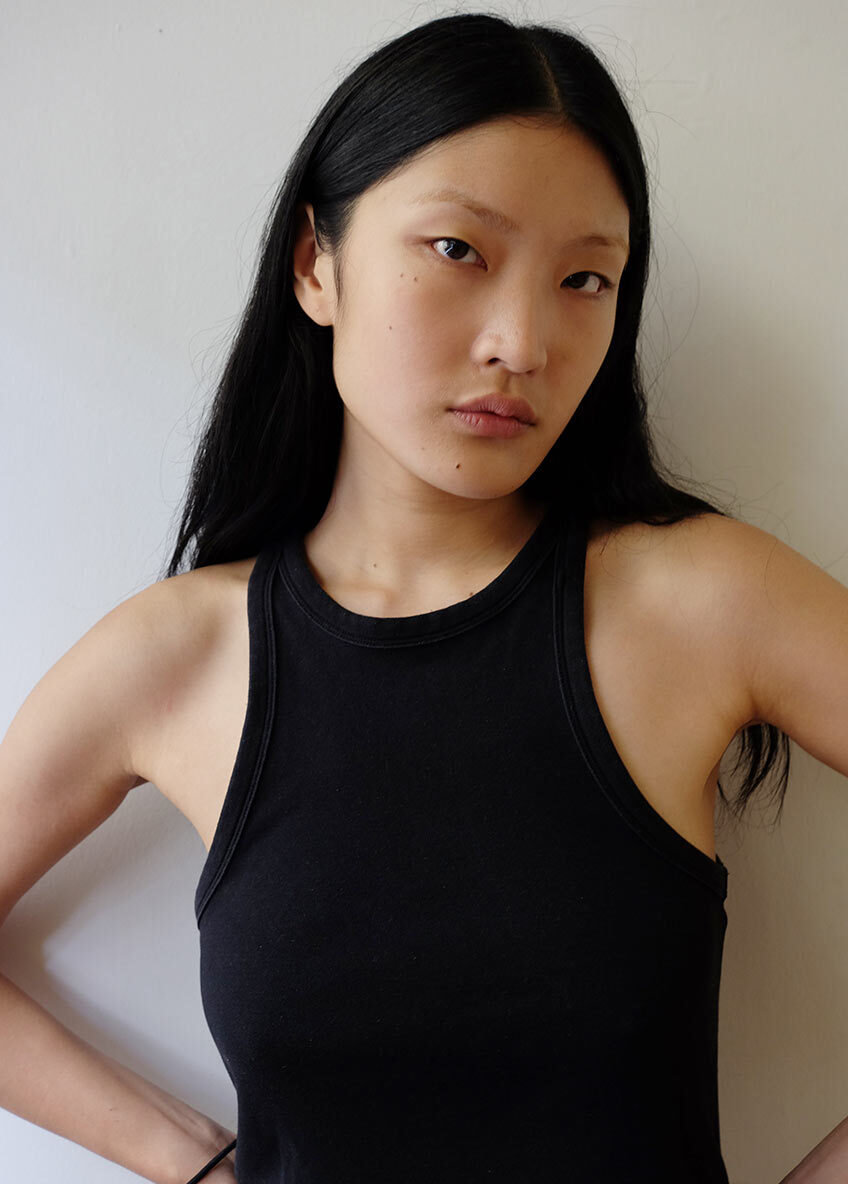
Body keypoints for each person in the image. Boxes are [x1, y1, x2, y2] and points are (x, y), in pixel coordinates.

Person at [1, 11, 846, 1184]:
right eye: (458, 249)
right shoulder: (182, 652)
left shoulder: (701, 599)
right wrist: (190, 1158)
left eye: (585, 278)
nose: (522, 341)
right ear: (316, 263)